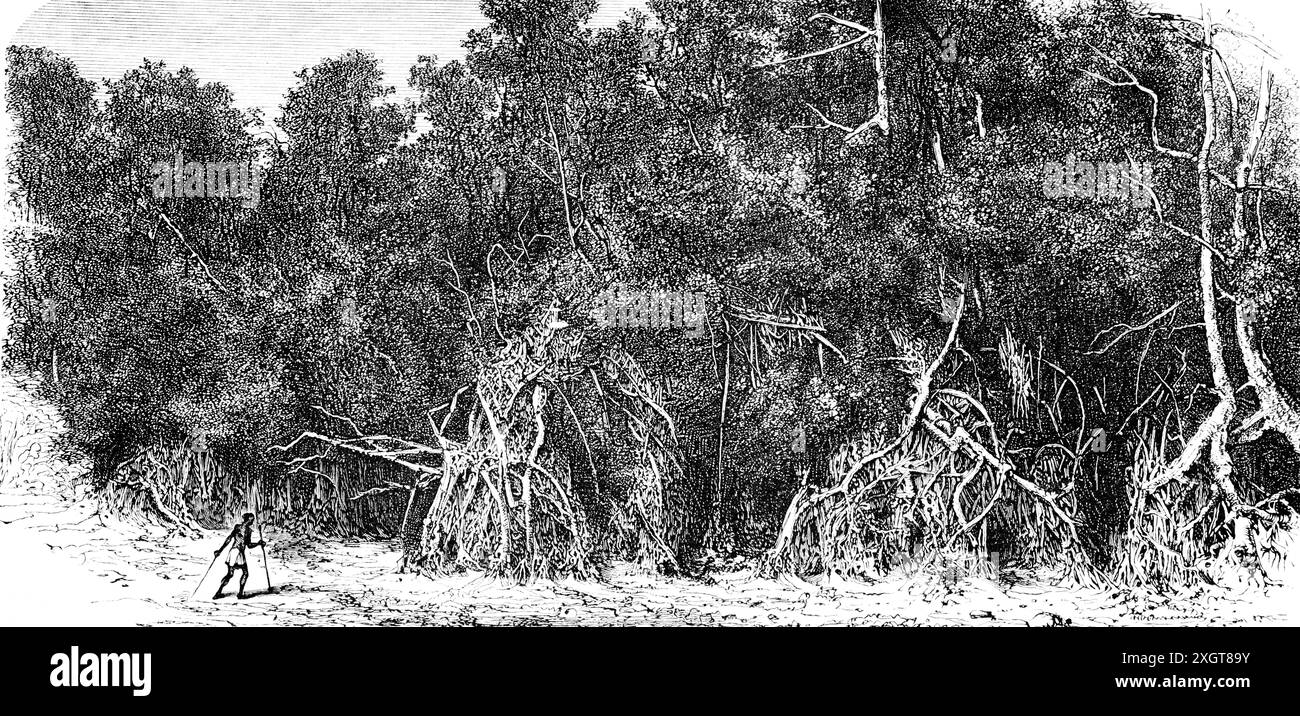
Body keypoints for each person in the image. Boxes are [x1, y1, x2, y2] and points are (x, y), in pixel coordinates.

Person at [213, 512, 264, 599]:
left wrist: (220, 550)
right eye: (251, 520)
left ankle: (218, 592)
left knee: (230, 574)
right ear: (248, 520)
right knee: (245, 573)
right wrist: (259, 543)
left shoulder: (237, 527)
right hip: (239, 553)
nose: (252, 522)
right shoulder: (248, 531)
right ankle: (240, 594)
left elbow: (229, 539)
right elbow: (249, 545)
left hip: (233, 551)